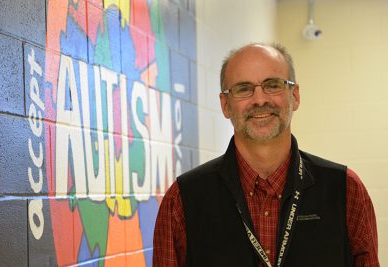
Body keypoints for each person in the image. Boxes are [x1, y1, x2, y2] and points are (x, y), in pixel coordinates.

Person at [152, 43, 379, 267]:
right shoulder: (182, 201)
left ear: (295, 95)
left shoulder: (346, 191)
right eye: (243, 88)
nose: (260, 100)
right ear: (225, 105)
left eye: (273, 85)